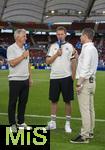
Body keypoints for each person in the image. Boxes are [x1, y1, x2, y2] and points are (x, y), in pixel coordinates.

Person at [46, 26, 77, 133]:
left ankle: (67, 124)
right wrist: (56, 54)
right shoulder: (52, 46)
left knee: (67, 101)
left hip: (66, 78)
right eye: (58, 34)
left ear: (65, 34)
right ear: (56, 35)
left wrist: (73, 76)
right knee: (53, 100)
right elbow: (48, 62)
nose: (60, 36)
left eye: (62, 34)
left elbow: (74, 62)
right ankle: (53, 122)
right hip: (54, 77)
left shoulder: (70, 46)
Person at [71, 28, 98, 143]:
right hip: (92, 81)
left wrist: (79, 83)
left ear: (85, 36)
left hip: (85, 82)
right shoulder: (92, 48)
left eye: (81, 35)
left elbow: (85, 69)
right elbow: (84, 64)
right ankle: (90, 131)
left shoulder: (87, 49)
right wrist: (78, 57)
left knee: (85, 109)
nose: (80, 37)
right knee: (90, 108)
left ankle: (84, 135)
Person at [7, 29, 33, 133]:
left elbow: (28, 65)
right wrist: (23, 56)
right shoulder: (11, 48)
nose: (26, 38)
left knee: (23, 102)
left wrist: (30, 78)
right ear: (17, 37)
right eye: (24, 36)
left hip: (25, 80)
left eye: (25, 36)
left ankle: (21, 122)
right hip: (15, 80)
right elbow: (12, 63)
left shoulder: (25, 49)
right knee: (13, 103)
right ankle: (12, 123)